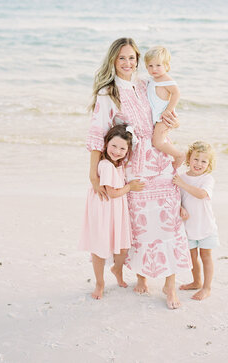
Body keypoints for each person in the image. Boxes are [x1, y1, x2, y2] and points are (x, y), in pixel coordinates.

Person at [85, 37, 192, 309]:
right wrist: (94, 174)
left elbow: (164, 112)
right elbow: (98, 134)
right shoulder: (107, 93)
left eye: (132, 57)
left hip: (160, 160)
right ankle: (141, 275)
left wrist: (173, 121)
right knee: (140, 223)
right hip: (134, 164)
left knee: (169, 218)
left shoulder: (146, 83)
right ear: (113, 60)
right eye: (122, 58)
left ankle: (170, 284)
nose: (128, 63)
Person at [79, 124, 144, 299]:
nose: (117, 151)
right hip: (103, 210)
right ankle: (100, 283)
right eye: (114, 146)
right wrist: (130, 187)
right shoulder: (106, 166)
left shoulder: (119, 165)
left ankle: (117, 269)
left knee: (122, 248)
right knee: (100, 248)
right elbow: (112, 193)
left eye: (123, 148)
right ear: (106, 143)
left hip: (117, 211)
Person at [173, 141, 219, 300]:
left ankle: (207, 287)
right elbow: (176, 198)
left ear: (209, 163)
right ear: (188, 159)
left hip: (206, 226)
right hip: (189, 226)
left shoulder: (207, 179)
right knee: (192, 257)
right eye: (196, 159)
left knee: (205, 255)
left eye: (204, 161)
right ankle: (196, 281)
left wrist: (182, 184)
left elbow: (201, 194)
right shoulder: (182, 177)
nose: (199, 164)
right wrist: (180, 208)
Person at [144, 46, 185, 169]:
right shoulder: (154, 80)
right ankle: (165, 161)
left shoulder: (167, 79)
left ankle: (179, 155)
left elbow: (176, 93)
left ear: (166, 65)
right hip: (157, 116)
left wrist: (169, 110)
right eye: (150, 66)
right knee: (161, 140)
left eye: (158, 65)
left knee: (158, 142)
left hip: (163, 117)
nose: (154, 69)